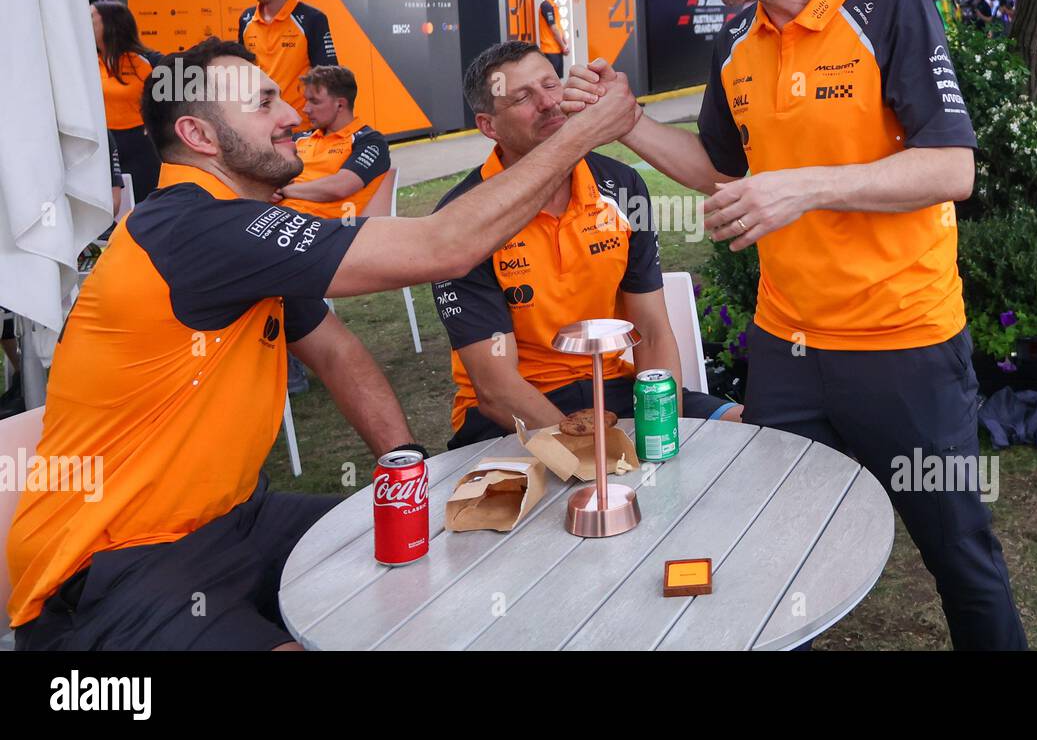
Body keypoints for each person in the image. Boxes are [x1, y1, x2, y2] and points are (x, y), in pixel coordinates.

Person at [5, 37, 638, 651]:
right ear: (199, 137)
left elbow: (337, 353)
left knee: (455, 556)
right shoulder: (191, 226)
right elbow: (444, 246)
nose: (290, 116)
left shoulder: (237, 231)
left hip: (237, 521)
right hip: (115, 564)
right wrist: (581, 133)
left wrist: (403, 470)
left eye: (281, 98)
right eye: (262, 105)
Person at [563, 0, 1026, 650]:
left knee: (959, 556)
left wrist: (802, 187)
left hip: (905, 346)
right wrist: (627, 120)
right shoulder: (735, 41)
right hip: (786, 350)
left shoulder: (889, 8)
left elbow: (952, 168)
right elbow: (717, 169)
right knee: (775, 553)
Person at [434, 42, 742, 450]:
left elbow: (650, 330)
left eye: (550, 84)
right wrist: (589, 452)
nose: (548, 104)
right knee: (570, 495)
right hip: (515, 414)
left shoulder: (621, 186)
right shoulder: (463, 216)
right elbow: (496, 389)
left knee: (750, 428)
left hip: (613, 388)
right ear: (489, 126)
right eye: (522, 97)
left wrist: (664, 422)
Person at [237, 0, 338, 131]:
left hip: (302, 128)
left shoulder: (312, 18)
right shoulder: (246, 19)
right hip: (262, 129)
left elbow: (329, 76)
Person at [276, 66, 390, 218]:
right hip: (277, 219)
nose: (306, 109)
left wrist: (284, 191)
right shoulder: (300, 138)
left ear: (340, 105)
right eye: (306, 101)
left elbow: (341, 186)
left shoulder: (370, 141)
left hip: (320, 229)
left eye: (314, 102)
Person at [92, 0, 162, 202]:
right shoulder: (86, 62)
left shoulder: (147, 61)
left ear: (110, 24)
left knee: (145, 205)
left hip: (140, 146)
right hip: (104, 146)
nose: (84, 23)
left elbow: (174, 100)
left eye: (91, 18)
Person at [537, 0, 569, 76]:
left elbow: (559, 26)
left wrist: (565, 44)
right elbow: (554, 29)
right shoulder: (546, 6)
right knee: (551, 80)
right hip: (549, 50)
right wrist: (564, 46)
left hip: (557, 49)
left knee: (557, 80)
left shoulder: (553, 6)